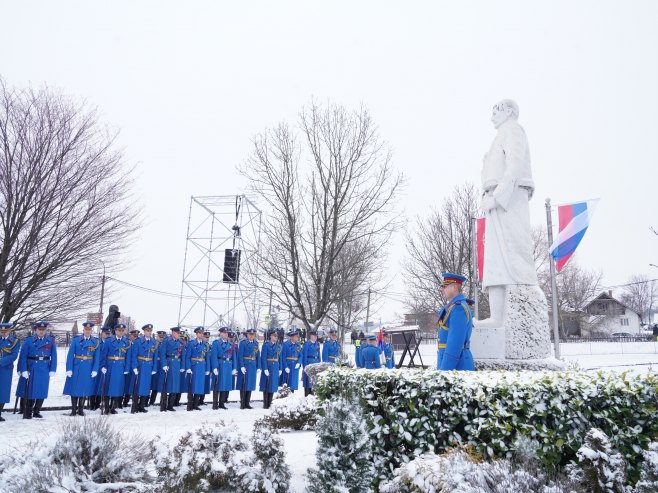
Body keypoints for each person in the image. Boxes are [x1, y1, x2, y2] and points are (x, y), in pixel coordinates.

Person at [17, 321, 57, 419]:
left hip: (44, 367)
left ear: (46, 330)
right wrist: (23, 370)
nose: (41, 332)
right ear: (36, 330)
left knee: (42, 389)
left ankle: (37, 411)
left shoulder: (51, 340)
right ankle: (28, 411)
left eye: (43, 330)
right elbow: (23, 356)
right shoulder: (29, 340)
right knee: (31, 390)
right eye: (40, 330)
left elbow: (54, 356)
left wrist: (53, 369)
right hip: (32, 367)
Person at [437, 273, 475, 371]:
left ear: (454, 288)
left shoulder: (458, 308)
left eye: (445, 286)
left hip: (456, 366)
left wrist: (444, 371)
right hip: (454, 364)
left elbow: (454, 343)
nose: (442, 289)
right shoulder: (454, 307)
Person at [63, 321, 100, 416]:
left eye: (89, 330)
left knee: (84, 388)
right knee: (74, 388)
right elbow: (70, 355)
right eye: (86, 329)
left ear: (92, 331)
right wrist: (69, 369)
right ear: (83, 330)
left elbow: (97, 357)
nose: (87, 331)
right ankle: (73, 410)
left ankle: (80, 409)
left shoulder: (95, 342)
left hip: (88, 367)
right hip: (77, 367)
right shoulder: (76, 340)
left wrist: (95, 369)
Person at [99, 323, 131, 414]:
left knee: (116, 387)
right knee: (107, 387)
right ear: (115, 331)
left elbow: (128, 357)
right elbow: (103, 355)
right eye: (119, 330)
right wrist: (103, 366)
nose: (121, 332)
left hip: (120, 366)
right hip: (110, 366)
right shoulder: (109, 340)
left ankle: (112, 408)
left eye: (122, 331)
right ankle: (106, 407)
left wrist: (127, 368)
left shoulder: (126, 342)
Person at [130, 324, 158, 413]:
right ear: (144, 332)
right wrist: (134, 366)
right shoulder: (138, 341)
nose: (149, 332)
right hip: (140, 365)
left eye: (150, 331)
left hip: (149, 365)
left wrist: (154, 368)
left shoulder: (154, 342)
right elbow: (133, 355)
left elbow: (155, 357)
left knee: (146, 386)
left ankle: (142, 405)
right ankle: (135, 406)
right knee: (138, 386)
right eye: (147, 331)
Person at [159, 326, 184, 411]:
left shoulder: (181, 342)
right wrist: (164, 364)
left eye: (179, 333)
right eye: (178, 333)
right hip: (169, 363)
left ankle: (170, 405)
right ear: (173, 333)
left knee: (175, 385)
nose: (179, 335)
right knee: (166, 384)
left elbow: (183, 355)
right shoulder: (166, 341)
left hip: (177, 363)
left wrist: (182, 366)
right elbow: (162, 353)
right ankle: (163, 404)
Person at [185, 326, 210, 411]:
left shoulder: (205, 344)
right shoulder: (192, 343)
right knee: (192, 385)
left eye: (202, 333)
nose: (201, 334)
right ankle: (190, 404)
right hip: (194, 366)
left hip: (202, 366)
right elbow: (187, 357)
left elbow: (207, 358)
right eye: (199, 333)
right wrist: (188, 367)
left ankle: (196, 404)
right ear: (196, 334)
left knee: (199, 385)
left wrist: (207, 369)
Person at [211, 327, 235, 410]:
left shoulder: (231, 344)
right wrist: (214, 367)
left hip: (228, 364)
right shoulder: (216, 343)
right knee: (217, 384)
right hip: (220, 364)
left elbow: (234, 356)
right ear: (220, 333)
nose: (226, 334)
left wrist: (234, 367)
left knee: (225, 384)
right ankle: (215, 404)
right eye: (224, 333)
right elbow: (214, 356)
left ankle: (222, 403)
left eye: (227, 333)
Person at [0, 322, 20, 422]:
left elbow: (14, 355)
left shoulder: (14, 341)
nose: (3, 333)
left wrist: (1, 362)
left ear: (10, 330)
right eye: (1, 331)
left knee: (3, 390)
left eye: (5, 331)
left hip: (5, 369)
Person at [237, 328, 259, 409]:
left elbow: (257, 355)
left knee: (250, 383)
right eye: (250, 334)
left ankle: (247, 403)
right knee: (243, 383)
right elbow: (240, 355)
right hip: (245, 364)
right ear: (247, 335)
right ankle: (242, 403)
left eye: (253, 334)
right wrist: (242, 366)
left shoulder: (256, 343)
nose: (251, 336)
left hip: (253, 365)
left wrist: (258, 366)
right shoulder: (243, 343)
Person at [259, 330, 282, 409]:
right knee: (266, 384)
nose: (275, 337)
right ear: (270, 336)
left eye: (276, 336)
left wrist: (280, 368)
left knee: (272, 385)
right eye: (274, 336)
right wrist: (264, 368)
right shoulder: (266, 345)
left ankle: (270, 403)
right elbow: (263, 357)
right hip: (268, 365)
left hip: (275, 366)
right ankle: (265, 403)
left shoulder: (278, 346)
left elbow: (280, 358)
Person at [90, 326, 111, 411]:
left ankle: (98, 404)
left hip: (104, 367)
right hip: (95, 366)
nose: (107, 335)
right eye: (106, 333)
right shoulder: (97, 342)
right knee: (93, 385)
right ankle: (92, 405)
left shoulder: (109, 342)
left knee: (100, 386)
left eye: (108, 333)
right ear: (101, 333)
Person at [122, 328, 140, 408]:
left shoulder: (138, 344)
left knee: (132, 385)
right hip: (126, 367)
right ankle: (120, 402)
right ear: (130, 336)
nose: (135, 337)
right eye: (134, 336)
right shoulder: (127, 343)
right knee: (124, 385)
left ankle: (127, 401)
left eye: (136, 336)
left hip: (134, 368)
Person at [148, 330, 167, 407]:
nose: (161, 338)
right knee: (153, 384)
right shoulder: (154, 343)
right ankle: (149, 401)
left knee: (161, 384)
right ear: (157, 336)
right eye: (160, 337)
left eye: (163, 337)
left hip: (162, 366)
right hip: (155, 365)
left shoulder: (165, 344)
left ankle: (161, 401)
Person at [300, 329, 321, 396]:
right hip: (309, 363)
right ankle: (307, 394)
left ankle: (312, 394)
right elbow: (304, 355)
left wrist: (319, 364)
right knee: (307, 380)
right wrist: (305, 366)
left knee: (314, 380)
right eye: (314, 336)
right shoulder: (307, 344)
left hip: (316, 363)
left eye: (316, 336)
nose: (316, 337)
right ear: (311, 336)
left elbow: (318, 355)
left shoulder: (317, 344)